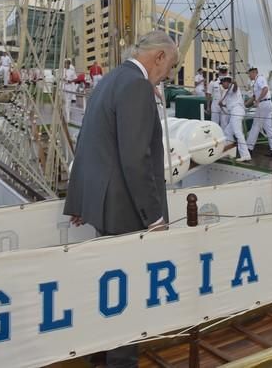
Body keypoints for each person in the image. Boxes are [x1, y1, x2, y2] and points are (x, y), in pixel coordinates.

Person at [64, 30, 178, 368]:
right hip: (127, 211)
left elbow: (87, 143)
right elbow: (135, 158)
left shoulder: (110, 79)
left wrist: (81, 201)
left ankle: (101, 356)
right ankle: (121, 362)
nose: (167, 75)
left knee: (109, 294)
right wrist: (154, 216)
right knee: (127, 296)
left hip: (104, 206)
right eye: (168, 66)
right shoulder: (136, 86)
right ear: (159, 57)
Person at [246, 66, 272, 156]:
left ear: (254, 72)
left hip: (263, 104)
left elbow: (265, 89)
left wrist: (258, 100)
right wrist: (245, 105)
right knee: (268, 127)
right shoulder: (256, 81)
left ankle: (249, 149)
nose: (249, 76)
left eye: (249, 74)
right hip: (265, 104)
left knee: (255, 126)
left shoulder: (260, 79)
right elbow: (254, 96)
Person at [219, 75, 251, 162]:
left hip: (237, 111)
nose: (221, 85)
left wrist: (235, 82)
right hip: (234, 111)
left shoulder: (232, 86)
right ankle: (229, 150)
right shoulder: (226, 91)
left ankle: (245, 155)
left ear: (226, 82)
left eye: (222, 83)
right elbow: (231, 104)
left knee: (238, 133)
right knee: (227, 132)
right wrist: (223, 105)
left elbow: (235, 88)